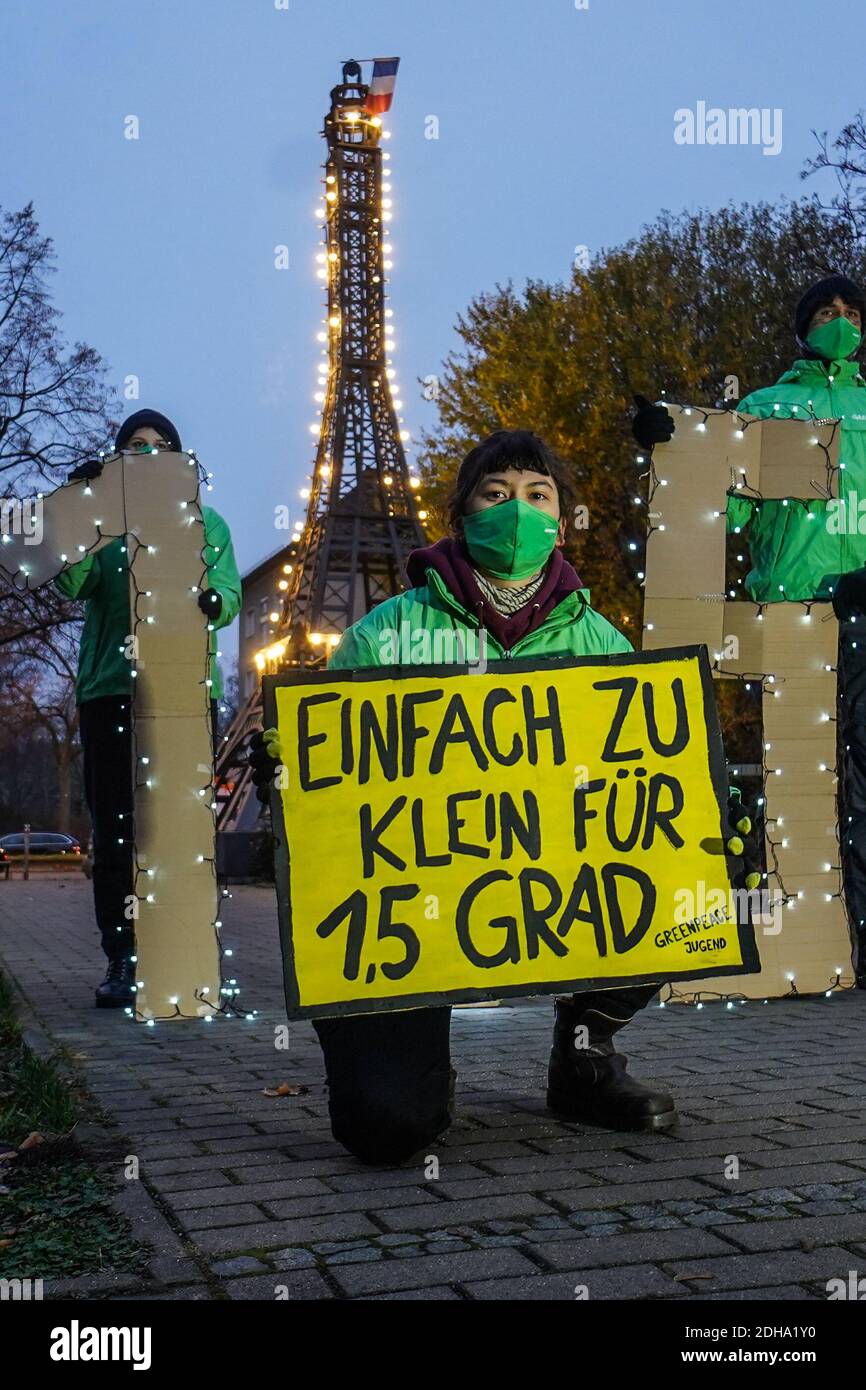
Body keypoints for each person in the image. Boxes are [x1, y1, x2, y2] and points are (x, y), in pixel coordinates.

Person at [252, 430, 697, 1166]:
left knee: (676, 876)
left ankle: (584, 1055)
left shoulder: (604, 645)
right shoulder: (384, 635)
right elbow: (330, 793)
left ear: (561, 517)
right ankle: (418, 1070)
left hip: (560, 880)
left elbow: (644, 784)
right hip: (411, 910)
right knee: (387, 1129)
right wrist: (290, 771)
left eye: (537, 494)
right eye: (494, 494)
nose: (515, 510)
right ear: (459, 516)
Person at [633, 274, 866, 982]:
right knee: (809, 785)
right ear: (802, 328)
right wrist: (668, 451)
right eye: (826, 311)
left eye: (853, 312)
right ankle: (816, 946)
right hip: (795, 609)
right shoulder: (767, 408)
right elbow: (722, 508)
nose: (841, 321)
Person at [57, 409, 241, 1007]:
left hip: (185, 694)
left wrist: (214, 601)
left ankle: (188, 960)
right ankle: (122, 957)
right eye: (135, 445)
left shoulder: (207, 524)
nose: (148, 452)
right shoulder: (103, 524)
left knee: (181, 833)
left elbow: (232, 594)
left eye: (161, 445)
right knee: (117, 831)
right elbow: (71, 580)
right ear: (119, 459)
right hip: (112, 689)